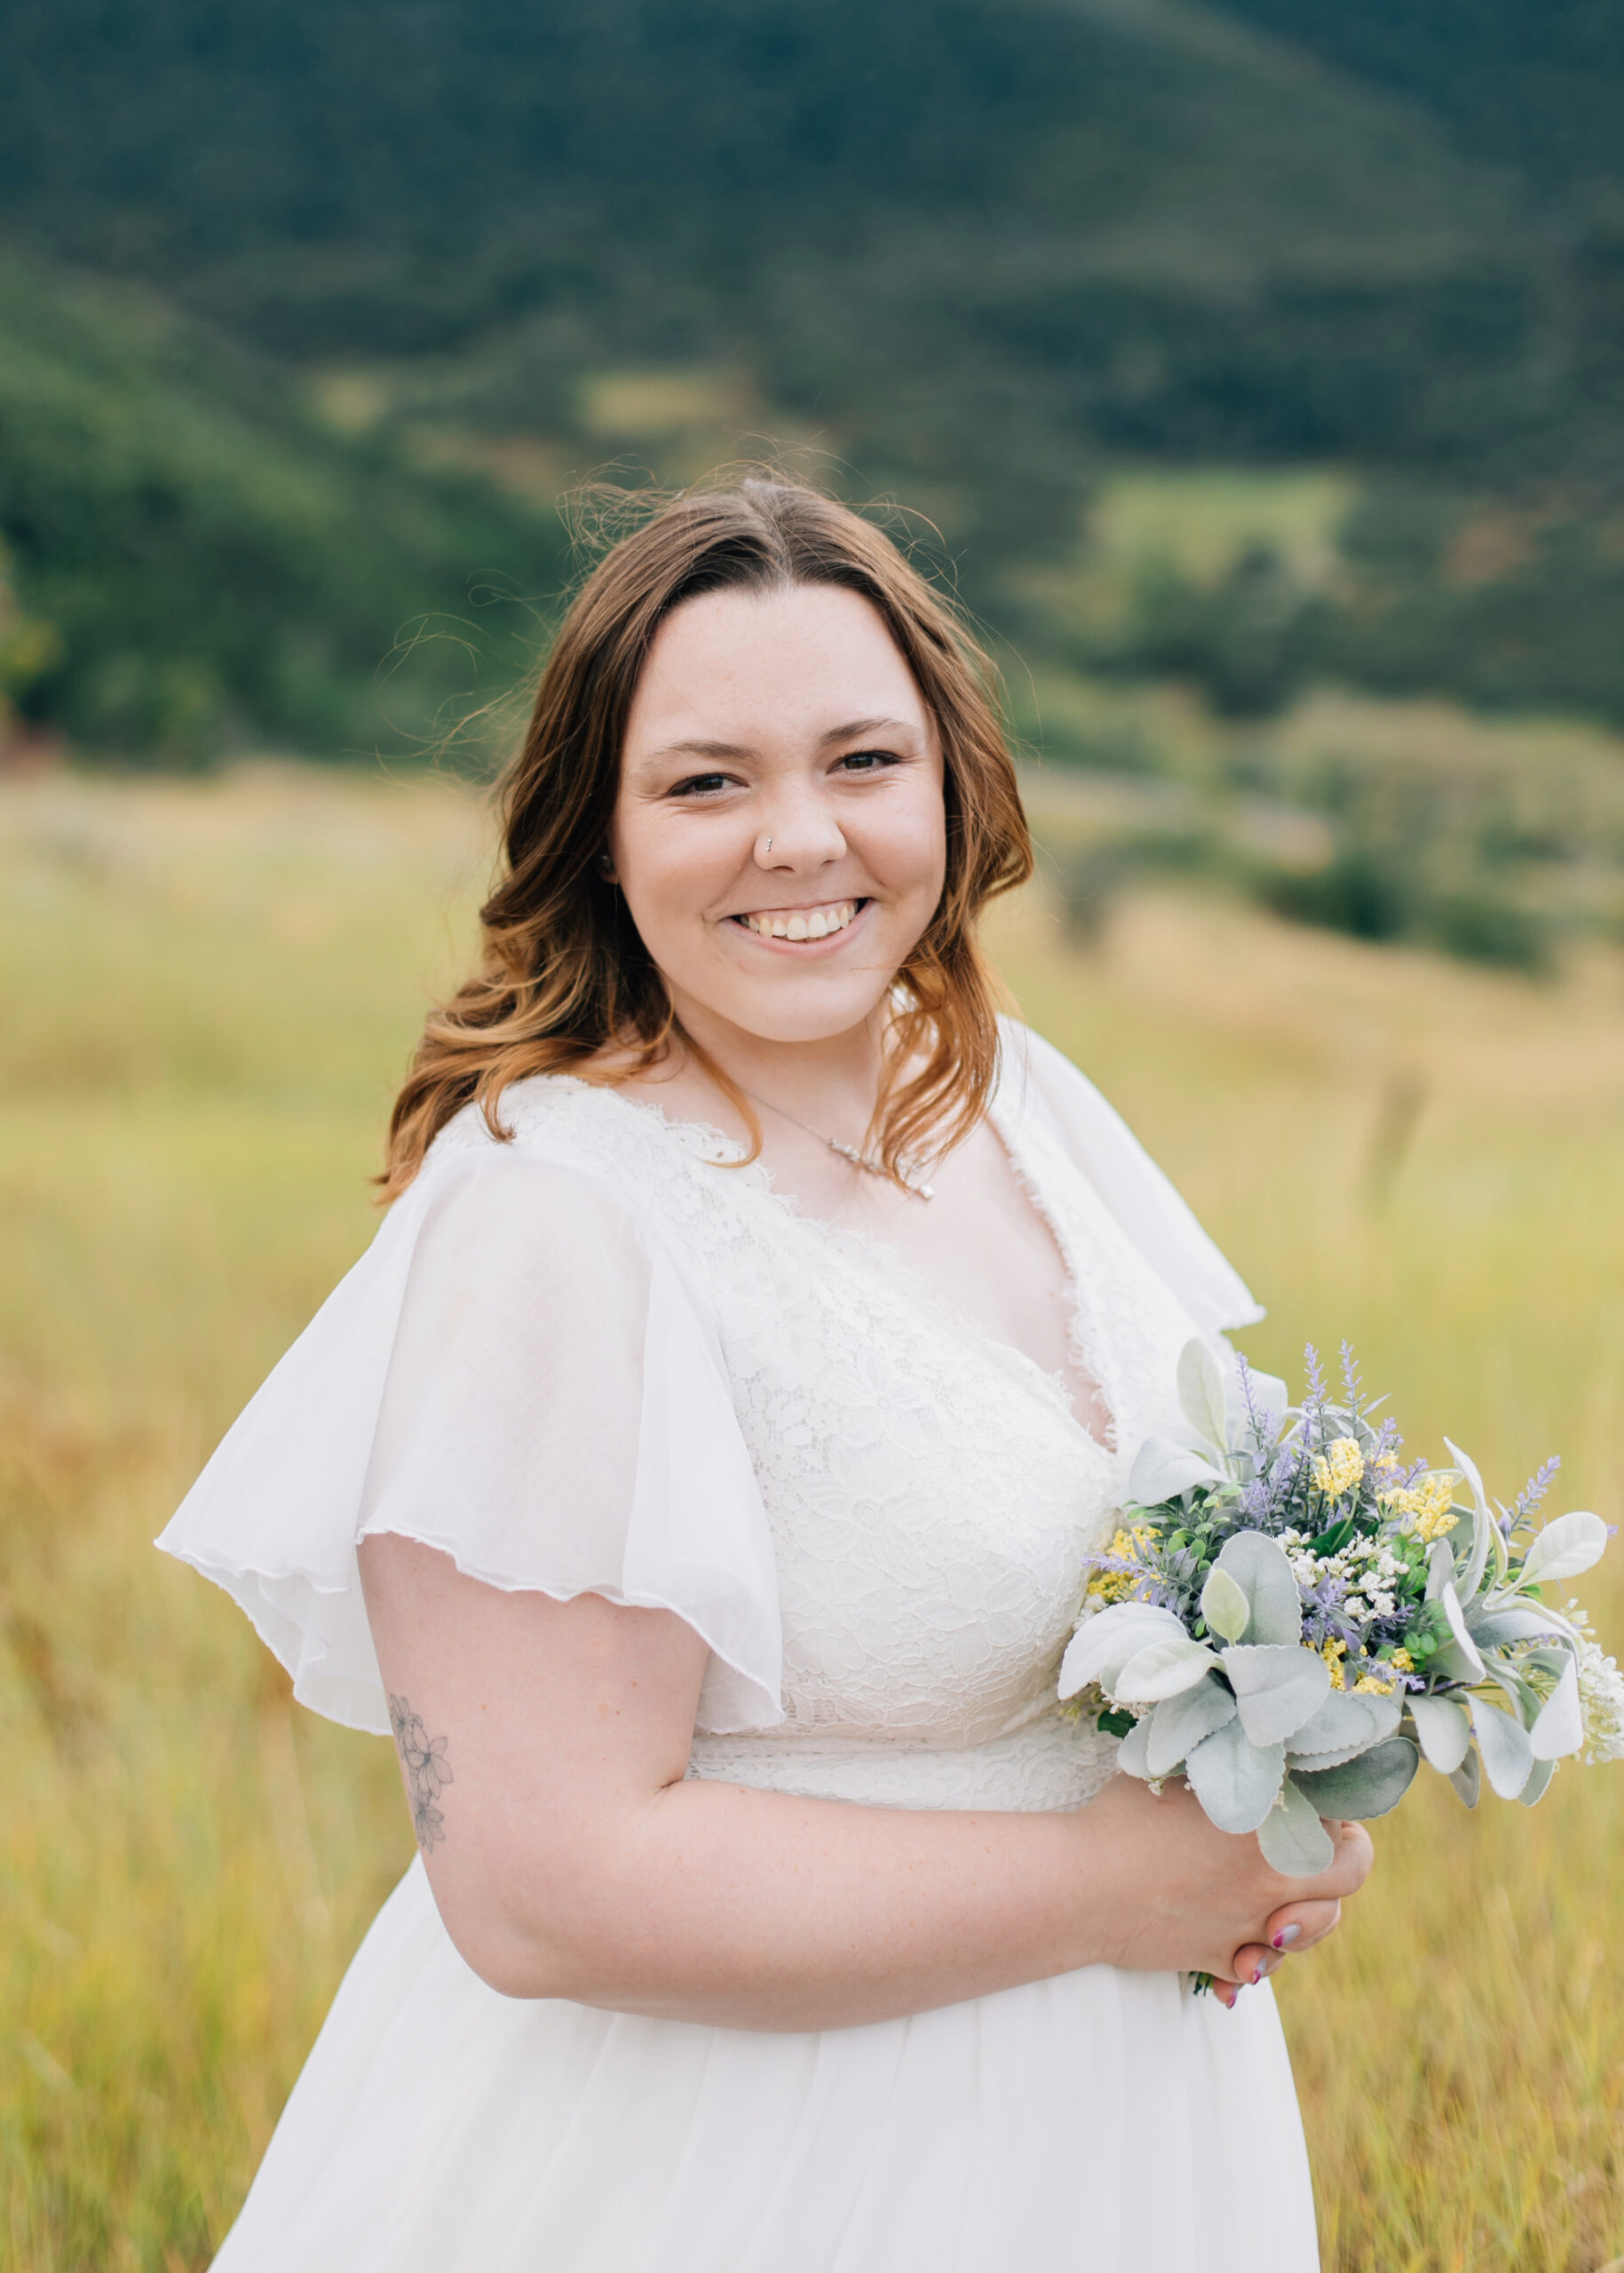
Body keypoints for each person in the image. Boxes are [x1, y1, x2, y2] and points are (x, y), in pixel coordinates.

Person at [159, 477, 1372, 2272]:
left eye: (863, 760)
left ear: (953, 783)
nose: (799, 835)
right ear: (599, 832)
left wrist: (1299, 1778)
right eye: (708, 780)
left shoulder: (1014, 1100)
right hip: (728, 2166)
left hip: (1115, 2135)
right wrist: (1130, 1887)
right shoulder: (555, 1219)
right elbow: (543, 1883)